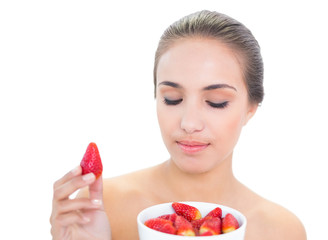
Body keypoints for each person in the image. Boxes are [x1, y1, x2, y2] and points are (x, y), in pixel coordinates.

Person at [50, 10, 307, 240]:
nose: (189, 123)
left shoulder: (281, 231)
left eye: (216, 102)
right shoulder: (101, 208)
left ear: (251, 107)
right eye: (172, 99)